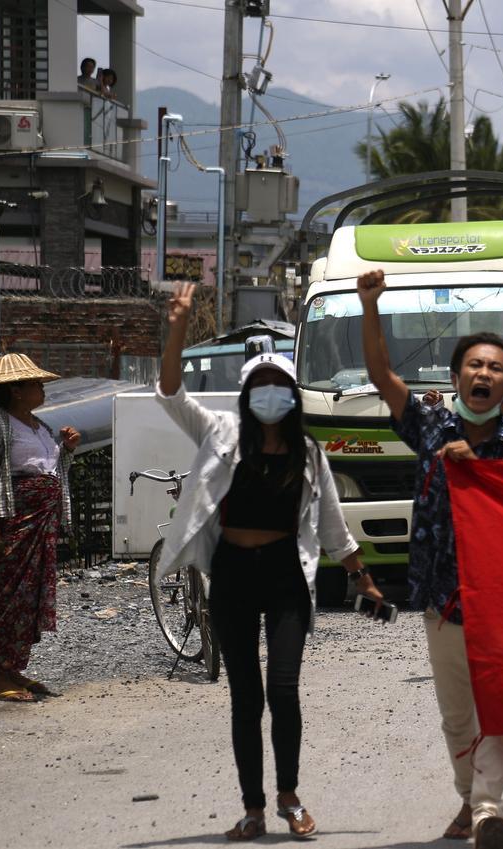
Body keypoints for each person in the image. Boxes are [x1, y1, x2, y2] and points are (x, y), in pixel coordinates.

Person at [154, 282, 377, 841]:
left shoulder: (308, 452)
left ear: (293, 396)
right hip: (232, 574)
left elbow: (331, 527)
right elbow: (171, 393)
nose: (271, 393)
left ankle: (289, 796)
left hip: (283, 578)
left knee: (283, 689)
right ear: (248, 391)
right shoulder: (222, 433)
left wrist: (363, 580)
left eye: (281, 386)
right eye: (262, 385)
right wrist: (177, 326)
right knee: (245, 697)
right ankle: (253, 808)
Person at [359, 268, 503, 849]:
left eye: (495, 367)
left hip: (502, 601)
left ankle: (488, 808)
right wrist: (371, 305)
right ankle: (471, 800)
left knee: (495, 710)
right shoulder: (430, 425)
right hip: (442, 598)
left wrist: (483, 469)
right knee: (456, 717)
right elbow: (380, 375)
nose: (483, 374)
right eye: (474, 365)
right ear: (456, 376)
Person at [0, 354, 80, 703]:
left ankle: (14, 669)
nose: (41, 389)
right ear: (16, 390)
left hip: (39, 526)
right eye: (35, 384)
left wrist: (66, 449)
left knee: (28, 597)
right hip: (12, 525)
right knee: (6, 597)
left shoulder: (39, 426)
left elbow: (49, 470)